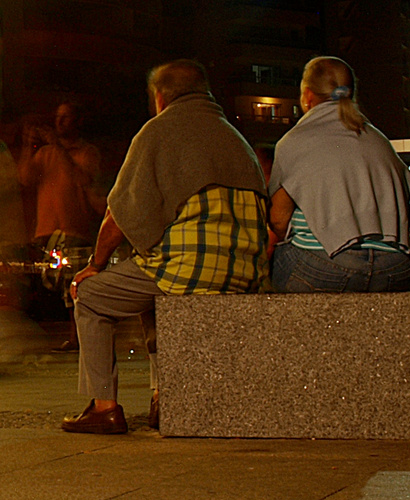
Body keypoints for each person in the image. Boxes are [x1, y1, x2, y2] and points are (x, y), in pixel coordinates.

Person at [64, 60, 268, 434]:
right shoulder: (234, 138)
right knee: (153, 276)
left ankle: (103, 405)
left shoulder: (158, 131)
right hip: (245, 273)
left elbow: (120, 213)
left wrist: (96, 263)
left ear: (160, 97)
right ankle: (164, 398)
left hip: (191, 270)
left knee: (90, 295)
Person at [266, 57, 410, 293]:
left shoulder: (294, 141)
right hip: (395, 267)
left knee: (282, 255)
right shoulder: (379, 140)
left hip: (323, 267)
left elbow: (278, 220)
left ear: (307, 96)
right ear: (351, 93)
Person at [17, 101, 104, 349]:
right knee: (53, 286)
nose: (59, 123)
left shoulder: (87, 153)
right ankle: (71, 336)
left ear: (78, 121)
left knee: (73, 288)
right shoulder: (45, 154)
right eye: (57, 118)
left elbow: (82, 178)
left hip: (73, 231)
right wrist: (27, 144)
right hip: (47, 232)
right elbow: (25, 177)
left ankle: (78, 338)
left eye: (65, 117)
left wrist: (57, 146)